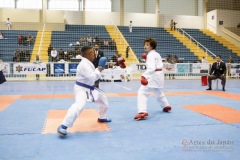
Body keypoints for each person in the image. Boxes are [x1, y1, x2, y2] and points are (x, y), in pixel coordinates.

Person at [57, 46, 111, 137]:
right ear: (89, 54)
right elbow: (92, 78)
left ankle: (102, 117)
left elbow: (92, 76)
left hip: (90, 88)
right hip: (81, 89)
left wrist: (99, 69)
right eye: (93, 53)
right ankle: (63, 126)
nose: (94, 55)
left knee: (103, 101)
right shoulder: (84, 65)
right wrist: (99, 69)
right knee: (79, 105)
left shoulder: (88, 63)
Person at [134, 38, 172, 120]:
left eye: (147, 45)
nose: (145, 46)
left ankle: (142, 111)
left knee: (142, 92)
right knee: (157, 91)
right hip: (160, 75)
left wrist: (144, 76)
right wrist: (146, 59)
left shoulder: (150, 55)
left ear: (152, 46)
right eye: (145, 44)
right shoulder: (157, 54)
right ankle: (166, 105)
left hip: (153, 75)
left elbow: (151, 68)